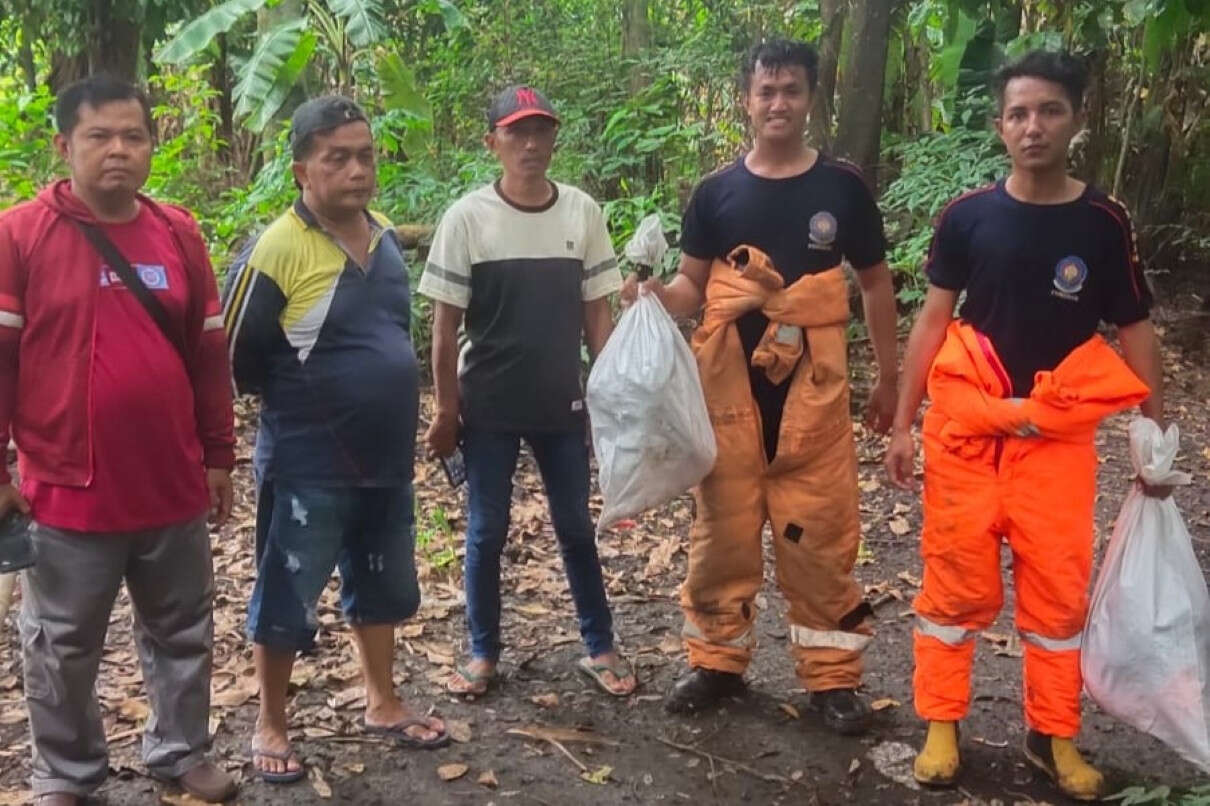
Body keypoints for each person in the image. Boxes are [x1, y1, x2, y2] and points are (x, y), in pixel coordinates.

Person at [884, 50, 1166, 802]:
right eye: (1017, 114)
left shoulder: (1103, 221)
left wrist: (1155, 431)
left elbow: (1133, 327)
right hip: (966, 432)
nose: (1032, 126)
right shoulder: (969, 216)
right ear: (1000, 126)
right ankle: (942, 725)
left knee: (1057, 594)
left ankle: (1053, 737)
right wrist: (903, 422)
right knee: (952, 583)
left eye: (1048, 111)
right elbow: (933, 319)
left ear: (1076, 118)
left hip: (1057, 442)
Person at [624, 39, 900, 735]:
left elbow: (873, 284)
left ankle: (833, 679)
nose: (779, 103)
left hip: (815, 399)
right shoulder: (718, 193)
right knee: (722, 536)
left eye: (792, 91)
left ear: (812, 99)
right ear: (746, 100)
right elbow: (693, 285)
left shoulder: (842, 189)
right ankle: (717, 662)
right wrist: (656, 294)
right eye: (766, 91)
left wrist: (891, 380)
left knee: (823, 539)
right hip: (726, 399)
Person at [0, 75, 237, 805]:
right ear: (64, 145)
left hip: (170, 480)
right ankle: (68, 776)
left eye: (133, 136)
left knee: (182, 630)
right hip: (66, 489)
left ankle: (180, 751)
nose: (118, 151)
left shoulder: (178, 231)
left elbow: (207, 354)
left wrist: (220, 454)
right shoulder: (19, 233)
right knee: (61, 646)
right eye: (100, 136)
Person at [222, 96, 447, 784]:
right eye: (337, 158)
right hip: (306, 463)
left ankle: (382, 700)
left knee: (382, 584)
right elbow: (235, 359)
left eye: (366, 155)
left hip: (384, 461)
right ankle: (271, 723)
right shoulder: (276, 249)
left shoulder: (381, 235)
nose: (357, 170)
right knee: (288, 591)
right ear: (301, 170)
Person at [419, 84, 637, 698]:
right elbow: (444, 324)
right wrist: (446, 409)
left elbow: (598, 313)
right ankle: (483, 652)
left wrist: (607, 390)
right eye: (517, 132)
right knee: (487, 530)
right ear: (493, 142)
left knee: (574, 526)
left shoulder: (581, 213)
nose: (532, 144)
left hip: (562, 404)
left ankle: (599, 645)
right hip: (487, 404)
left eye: (541, 130)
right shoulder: (467, 218)